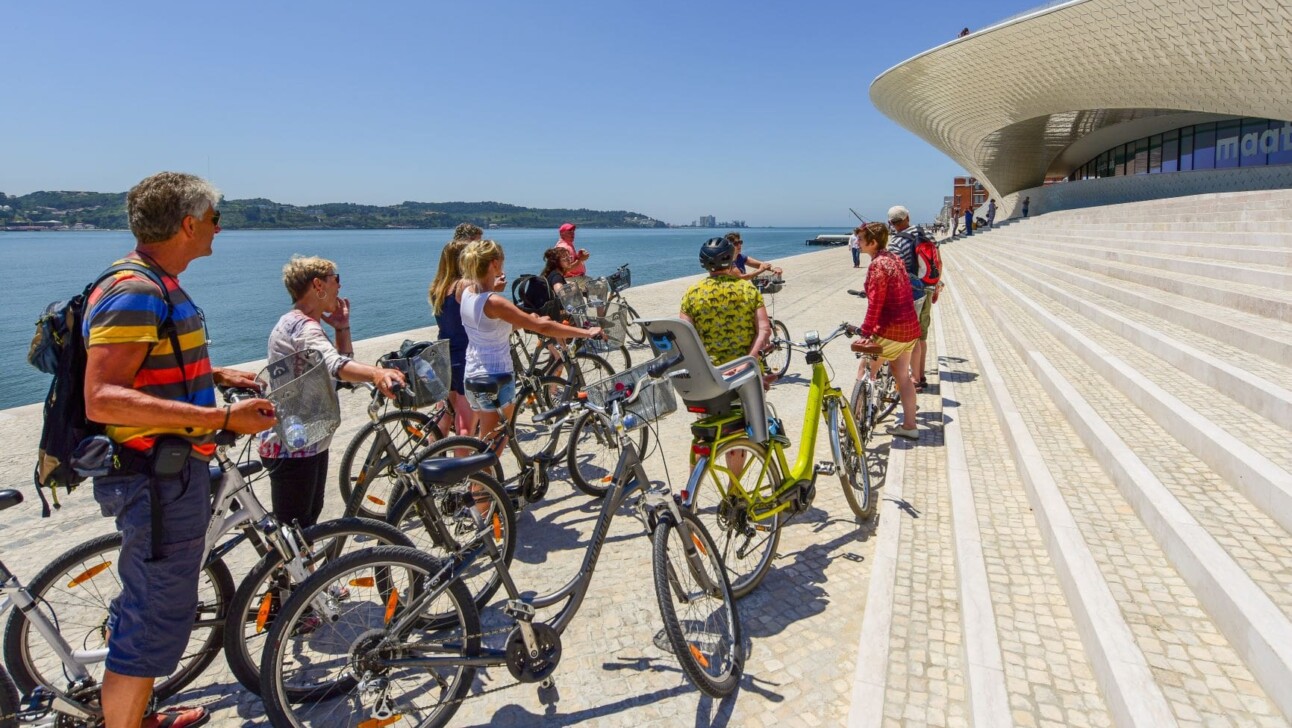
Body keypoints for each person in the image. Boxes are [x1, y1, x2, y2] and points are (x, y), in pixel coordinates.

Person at [83, 172, 278, 728]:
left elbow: (146, 364)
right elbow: (103, 397)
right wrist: (220, 416)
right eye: (215, 217)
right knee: (154, 615)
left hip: (173, 473)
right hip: (157, 480)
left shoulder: (157, 284)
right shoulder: (138, 291)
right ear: (189, 224)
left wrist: (212, 374)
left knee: (153, 603)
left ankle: (136, 713)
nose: (220, 227)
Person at [260, 256, 405, 528]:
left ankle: (301, 570)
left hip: (305, 439)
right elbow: (337, 366)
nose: (339, 286)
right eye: (335, 279)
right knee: (296, 532)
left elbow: (336, 376)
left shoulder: (299, 323)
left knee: (304, 525)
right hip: (293, 445)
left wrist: (341, 329)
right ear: (318, 285)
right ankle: (295, 571)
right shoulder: (303, 327)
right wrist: (376, 374)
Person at [459, 239, 602, 450]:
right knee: (492, 447)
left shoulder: (467, 293)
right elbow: (543, 328)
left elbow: (489, 325)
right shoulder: (494, 302)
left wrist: (517, 315)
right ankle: (479, 483)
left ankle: (481, 481)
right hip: (495, 375)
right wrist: (586, 332)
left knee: (486, 439)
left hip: (472, 373)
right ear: (495, 264)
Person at [853, 222, 920, 439]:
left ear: (873, 243)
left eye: (861, 239)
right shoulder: (895, 259)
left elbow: (876, 304)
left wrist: (865, 332)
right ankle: (910, 426)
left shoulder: (877, 266)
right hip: (910, 328)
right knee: (903, 377)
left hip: (891, 329)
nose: (857, 242)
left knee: (864, 370)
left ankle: (854, 421)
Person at [429, 224, 484, 437]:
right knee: (465, 423)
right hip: (464, 355)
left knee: (445, 413)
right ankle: (462, 467)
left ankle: (432, 454)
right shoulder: (466, 285)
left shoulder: (439, 286)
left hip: (444, 352)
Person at [887, 205, 934, 391]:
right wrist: (936, 283)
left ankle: (912, 379)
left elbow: (895, 270)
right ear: (908, 217)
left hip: (911, 291)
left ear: (891, 223)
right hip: (928, 287)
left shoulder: (896, 242)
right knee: (922, 334)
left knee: (910, 337)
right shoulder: (926, 234)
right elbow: (936, 260)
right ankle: (920, 376)